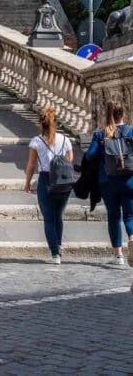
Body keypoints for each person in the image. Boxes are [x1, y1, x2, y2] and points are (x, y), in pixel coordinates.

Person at [85, 100, 133, 266]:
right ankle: (132, 239)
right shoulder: (131, 131)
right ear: (124, 115)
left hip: (107, 180)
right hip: (129, 179)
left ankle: (118, 255)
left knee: (114, 216)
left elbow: (90, 155)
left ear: (107, 115)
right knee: (130, 215)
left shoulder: (100, 134)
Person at [24, 105, 74, 264]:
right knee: (58, 216)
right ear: (56, 123)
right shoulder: (66, 140)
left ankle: (55, 254)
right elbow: (70, 160)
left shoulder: (36, 142)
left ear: (41, 124)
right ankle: (58, 246)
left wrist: (27, 182)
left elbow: (31, 165)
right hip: (63, 181)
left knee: (48, 218)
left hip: (45, 180)